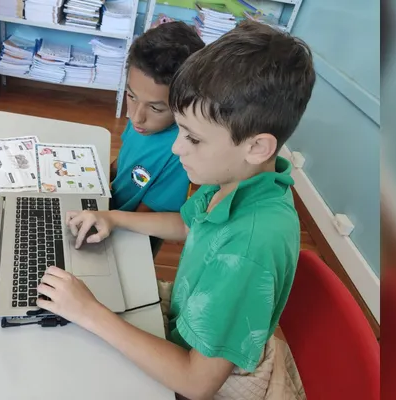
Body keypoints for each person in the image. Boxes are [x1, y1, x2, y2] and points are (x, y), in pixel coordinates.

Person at [39, 20, 316, 399]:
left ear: (257, 146)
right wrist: (112, 217)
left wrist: (90, 313)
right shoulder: (242, 181)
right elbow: (188, 224)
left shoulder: (249, 247)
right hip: (189, 325)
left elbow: (196, 383)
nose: (175, 148)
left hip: (201, 374)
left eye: (193, 138)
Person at [109, 21, 204, 214]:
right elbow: (123, 162)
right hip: (110, 211)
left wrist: (107, 217)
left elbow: (148, 217)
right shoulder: (143, 123)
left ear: (185, 104)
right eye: (131, 96)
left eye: (156, 108)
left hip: (134, 233)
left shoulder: (180, 153)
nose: (136, 117)